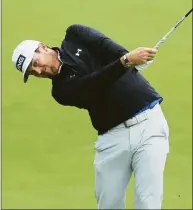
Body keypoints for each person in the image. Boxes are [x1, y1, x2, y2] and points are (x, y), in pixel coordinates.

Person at [12, 24, 169, 209]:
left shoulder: (75, 34)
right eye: (32, 72)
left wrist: (132, 57)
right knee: (108, 204)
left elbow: (106, 46)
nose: (38, 71)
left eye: (35, 63)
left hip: (150, 124)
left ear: (43, 47)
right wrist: (125, 61)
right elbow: (94, 85)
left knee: (147, 202)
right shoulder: (61, 92)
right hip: (113, 139)